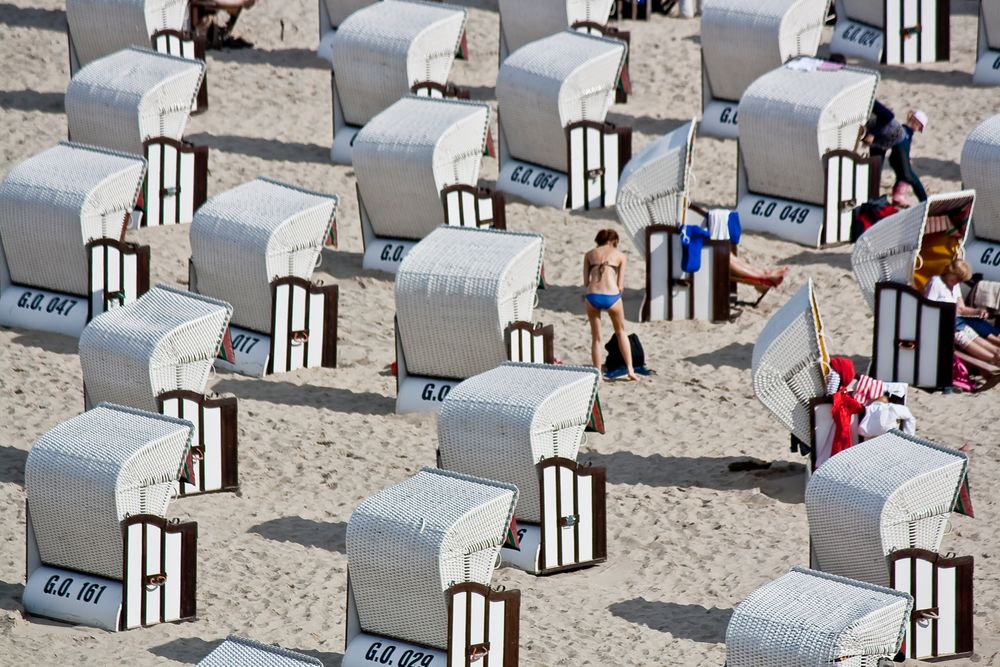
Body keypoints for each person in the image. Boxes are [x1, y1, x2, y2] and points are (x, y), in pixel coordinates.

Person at [584, 229, 638, 381]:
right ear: (614, 241)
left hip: (592, 296)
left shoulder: (589, 254)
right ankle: (630, 370)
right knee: (621, 332)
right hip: (612, 296)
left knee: (596, 337)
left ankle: (598, 374)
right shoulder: (620, 256)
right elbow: (620, 286)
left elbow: (586, 282)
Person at [924, 259, 1000, 363]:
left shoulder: (955, 286)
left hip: (956, 321)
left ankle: (995, 357)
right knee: (968, 341)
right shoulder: (936, 282)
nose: (959, 282)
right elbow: (928, 307)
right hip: (943, 323)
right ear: (951, 273)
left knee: (984, 343)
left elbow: (962, 309)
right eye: (959, 278)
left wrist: (977, 311)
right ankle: (992, 361)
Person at [864, 103, 928, 202]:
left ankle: (924, 200)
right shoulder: (905, 132)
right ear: (916, 121)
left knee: (906, 174)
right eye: (920, 127)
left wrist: (872, 134)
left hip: (884, 138)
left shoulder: (904, 133)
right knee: (875, 174)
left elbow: (888, 115)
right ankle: (873, 202)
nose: (919, 130)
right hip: (879, 141)